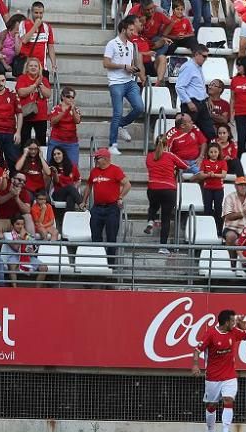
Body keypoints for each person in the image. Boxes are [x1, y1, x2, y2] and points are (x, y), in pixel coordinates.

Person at [191, 309, 246, 432]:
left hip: (229, 376)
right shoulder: (210, 334)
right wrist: (195, 364)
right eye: (233, 321)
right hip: (213, 377)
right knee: (211, 405)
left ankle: (225, 431)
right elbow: (196, 350)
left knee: (228, 400)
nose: (234, 323)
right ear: (226, 322)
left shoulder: (233, 332)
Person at [103, 16, 145, 156]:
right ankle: (112, 144)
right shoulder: (112, 44)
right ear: (124, 29)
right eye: (131, 30)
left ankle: (121, 124)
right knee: (117, 112)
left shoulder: (131, 45)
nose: (133, 32)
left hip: (129, 81)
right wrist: (124, 66)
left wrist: (137, 72)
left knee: (139, 107)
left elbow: (133, 63)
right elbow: (106, 63)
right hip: (116, 83)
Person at [81, 148, 130, 266]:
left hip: (111, 208)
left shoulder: (115, 170)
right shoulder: (94, 171)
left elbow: (127, 184)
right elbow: (88, 186)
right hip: (97, 207)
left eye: (97, 158)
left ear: (106, 159)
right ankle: (98, 263)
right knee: (95, 236)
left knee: (111, 237)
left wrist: (120, 197)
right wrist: (84, 200)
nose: (95, 160)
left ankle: (110, 265)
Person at [175, 46, 216, 142]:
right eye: (204, 56)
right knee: (188, 132)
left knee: (208, 131)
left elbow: (199, 86)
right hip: (191, 102)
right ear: (197, 54)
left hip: (200, 102)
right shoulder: (189, 67)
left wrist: (207, 98)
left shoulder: (197, 67)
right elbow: (179, 86)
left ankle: (210, 153)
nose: (206, 59)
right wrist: (188, 102)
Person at [220, 176, 246, 268]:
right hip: (232, 228)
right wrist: (242, 213)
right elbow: (227, 217)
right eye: (240, 185)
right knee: (231, 236)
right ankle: (232, 261)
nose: (243, 187)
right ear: (235, 186)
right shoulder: (229, 198)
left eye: (245, 185)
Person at [1, 213, 47, 286]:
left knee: (44, 268)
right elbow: (16, 248)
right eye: (18, 224)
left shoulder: (28, 235)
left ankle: (37, 290)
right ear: (13, 225)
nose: (20, 226)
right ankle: (14, 289)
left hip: (27, 257)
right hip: (13, 257)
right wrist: (22, 237)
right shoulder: (7, 235)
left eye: (22, 224)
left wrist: (31, 252)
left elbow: (33, 252)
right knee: (12, 265)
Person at [47, 87, 81, 168]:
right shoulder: (56, 108)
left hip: (71, 142)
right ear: (62, 97)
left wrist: (72, 111)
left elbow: (77, 121)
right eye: (68, 96)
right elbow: (53, 121)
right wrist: (63, 112)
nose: (70, 99)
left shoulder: (75, 109)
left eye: (72, 97)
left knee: (73, 166)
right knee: (50, 165)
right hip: (56, 141)